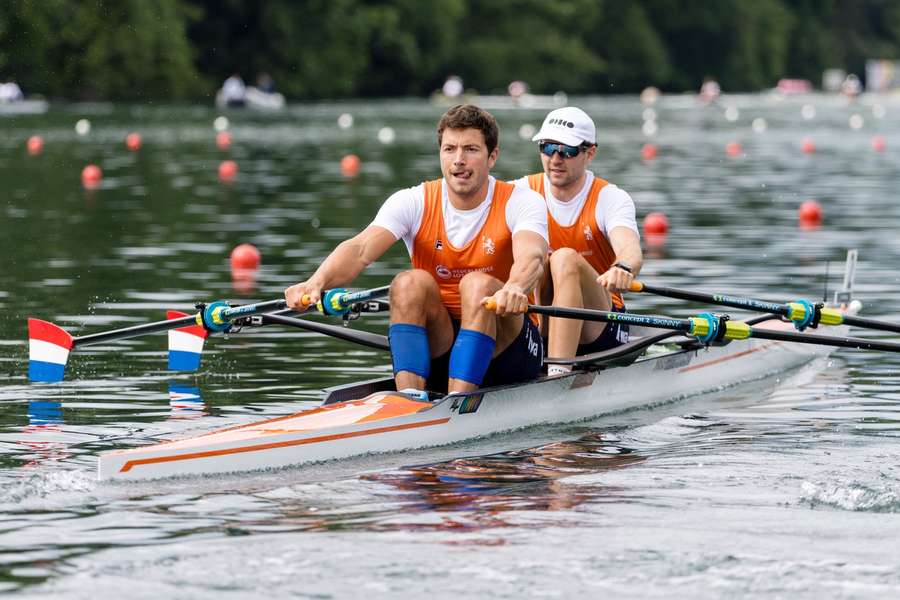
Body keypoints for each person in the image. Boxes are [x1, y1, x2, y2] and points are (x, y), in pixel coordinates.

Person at [285, 105, 548, 396]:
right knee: (407, 283)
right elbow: (360, 249)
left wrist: (515, 287)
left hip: (508, 351)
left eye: (471, 149)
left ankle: (457, 405)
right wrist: (316, 282)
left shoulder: (521, 202)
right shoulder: (413, 201)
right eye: (450, 149)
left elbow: (532, 257)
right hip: (443, 345)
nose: (458, 160)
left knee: (477, 285)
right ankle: (409, 401)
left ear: (492, 157)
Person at [513, 106, 642, 376]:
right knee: (538, 261)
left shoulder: (609, 198)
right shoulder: (521, 192)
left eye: (568, 150)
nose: (556, 159)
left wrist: (624, 268)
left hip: (602, 328)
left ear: (590, 153)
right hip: (541, 323)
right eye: (548, 147)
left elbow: (629, 247)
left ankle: (558, 373)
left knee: (564, 257)